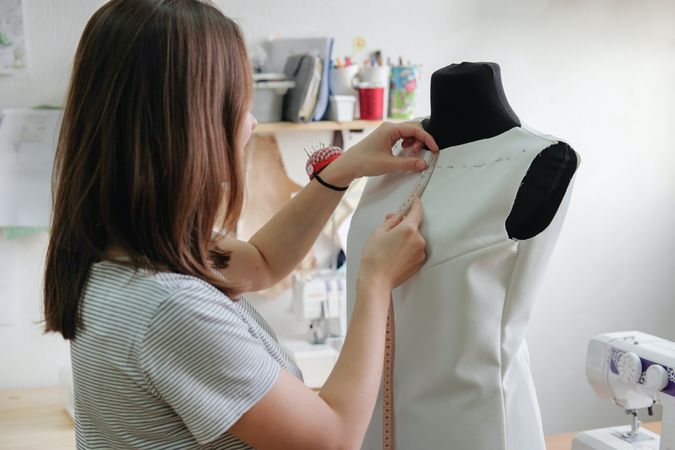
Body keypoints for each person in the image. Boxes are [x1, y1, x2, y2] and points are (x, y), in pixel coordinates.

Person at [42, 0, 439, 449]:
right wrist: (376, 282)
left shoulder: (120, 251)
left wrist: (339, 173)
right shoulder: (171, 308)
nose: (250, 123)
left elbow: (263, 262)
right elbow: (333, 439)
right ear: (190, 125)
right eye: (238, 104)